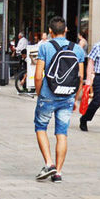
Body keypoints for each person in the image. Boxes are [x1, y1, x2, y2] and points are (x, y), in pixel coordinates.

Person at [33, 15, 85, 182]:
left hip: (48, 95)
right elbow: (80, 77)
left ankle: (49, 163)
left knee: (41, 127)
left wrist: (40, 93)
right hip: (68, 95)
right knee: (62, 133)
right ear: (66, 30)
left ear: (49, 31)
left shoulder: (45, 47)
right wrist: (75, 98)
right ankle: (58, 173)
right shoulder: (77, 49)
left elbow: (38, 75)